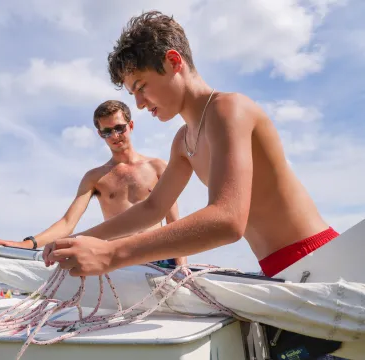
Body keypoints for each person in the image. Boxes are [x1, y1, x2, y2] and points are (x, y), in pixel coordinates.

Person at [43, 11, 338, 278]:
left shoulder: (229, 109)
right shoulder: (182, 142)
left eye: (142, 87)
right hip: (277, 271)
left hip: (322, 260)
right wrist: (80, 240)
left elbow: (227, 219)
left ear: (173, 62)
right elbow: (152, 208)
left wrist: (112, 254)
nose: (140, 104)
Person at [0, 99, 187, 268]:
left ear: (130, 126)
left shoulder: (158, 167)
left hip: (159, 258)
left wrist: (182, 267)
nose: (115, 136)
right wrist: (25, 244)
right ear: (100, 134)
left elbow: (174, 223)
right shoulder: (95, 178)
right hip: (119, 260)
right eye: (107, 132)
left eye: (119, 128)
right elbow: (67, 223)